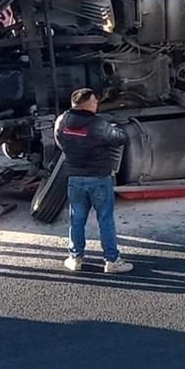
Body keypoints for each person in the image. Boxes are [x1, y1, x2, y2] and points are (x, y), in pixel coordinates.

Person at [55, 88, 133, 274]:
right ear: (87, 104)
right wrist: (116, 128)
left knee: (77, 220)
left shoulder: (62, 121)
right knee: (105, 219)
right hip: (99, 179)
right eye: (94, 101)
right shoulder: (98, 124)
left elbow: (60, 140)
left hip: (75, 178)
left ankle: (75, 258)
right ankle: (112, 260)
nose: (97, 103)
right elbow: (120, 138)